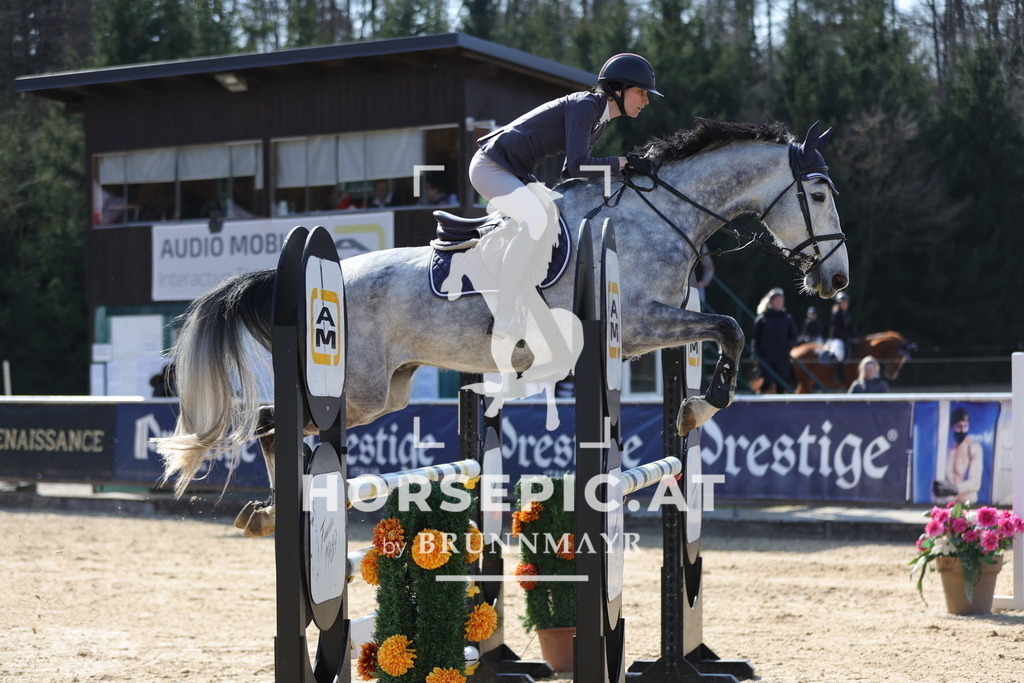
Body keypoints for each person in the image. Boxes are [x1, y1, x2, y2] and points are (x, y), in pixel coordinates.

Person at [470, 52, 661, 340]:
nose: (646, 101)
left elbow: (572, 173)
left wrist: (623, 166)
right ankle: (505, 313)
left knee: (556, 216)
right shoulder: (586, 106)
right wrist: (624, 162)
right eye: (641, 92)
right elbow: (577, 165)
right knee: (536, 219)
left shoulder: (599, 117)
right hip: (490, 167)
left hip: (514, 172)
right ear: (618, 89)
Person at [932, 407, 984, 504]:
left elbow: (976, 483)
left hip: (968, 503)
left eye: (965, 426)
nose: (963, 430)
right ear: (952, 427)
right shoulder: (945, 448)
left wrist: (955, 488)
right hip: (949, 503)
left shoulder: (973, 447)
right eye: (959, 426)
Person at [751, 287, 797, 393]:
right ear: (771, 302)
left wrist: (788, 349)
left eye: (782, 301)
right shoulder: (761, 320)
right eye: (778, 301)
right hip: (766, 358)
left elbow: (794, 338)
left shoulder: (787, 319)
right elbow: (755, 340)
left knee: (781, 385)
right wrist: (755, 356)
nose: (780, 304)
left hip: (782, 358)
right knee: (765, 384)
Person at [823, 291, 856, 362]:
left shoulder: (847, 314)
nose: (844, 304)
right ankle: (837, 372)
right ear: (838, 304)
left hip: (846, 339)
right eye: (842, 302)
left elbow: (851, 328)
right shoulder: (836, 314)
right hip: (837, 339)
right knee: (839, 355)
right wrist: (847, 337)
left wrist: (855, 337)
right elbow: (837, 330)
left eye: (846, 302)